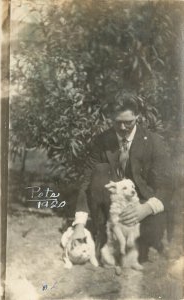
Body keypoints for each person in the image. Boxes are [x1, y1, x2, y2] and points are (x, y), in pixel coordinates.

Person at [70, 91, 172, 262]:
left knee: (144, 249)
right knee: (100, 170)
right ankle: (102, 232)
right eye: (118, 123)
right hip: (113, 206)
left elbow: (167, 184)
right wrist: (79, 225)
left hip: (142, 205)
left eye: (129, 122)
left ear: (138, 116)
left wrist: (145, 209)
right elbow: (87, 180)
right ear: (111, 117)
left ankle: (146, 240)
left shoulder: (154, 142)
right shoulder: (102, 141)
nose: (123, 128)